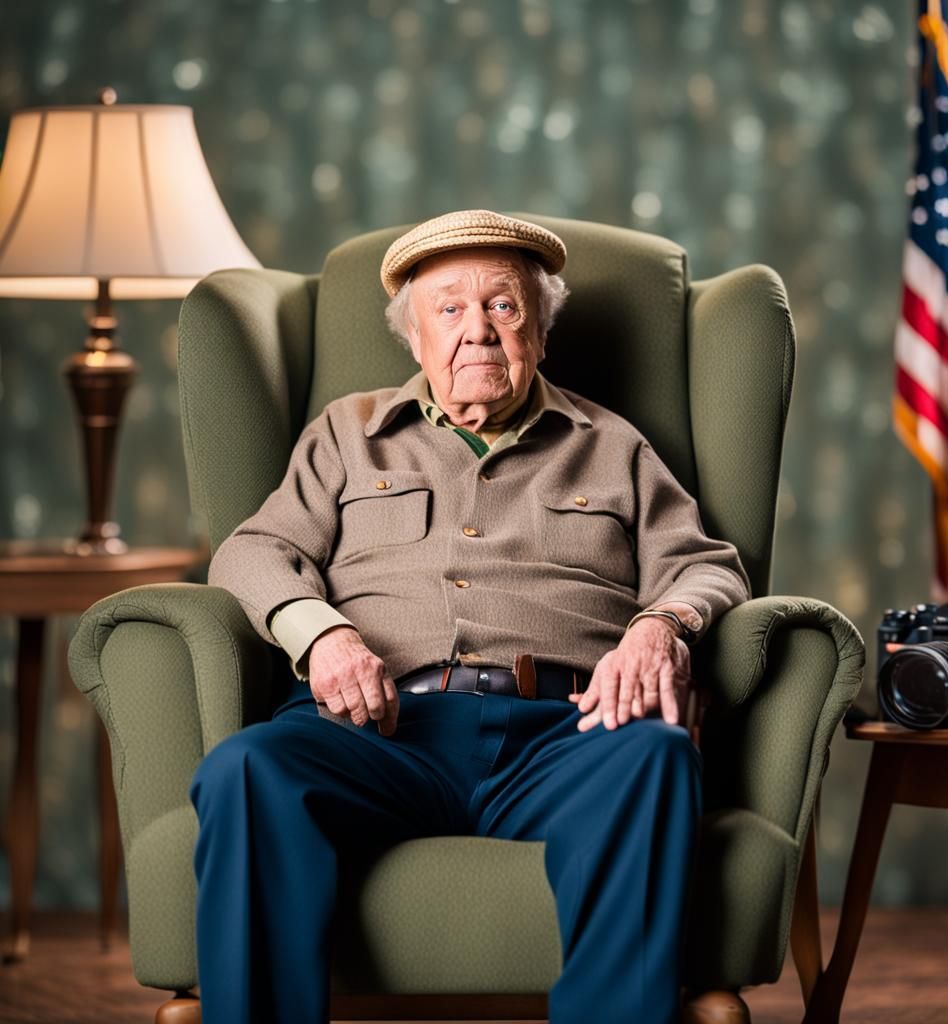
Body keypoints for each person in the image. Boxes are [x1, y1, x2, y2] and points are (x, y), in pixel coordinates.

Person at [190, 209, 751, 1024]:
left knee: (657, 758)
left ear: (541, 331)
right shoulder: (348, 435)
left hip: (567, 731)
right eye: (450, 309)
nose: (478, 331)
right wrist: (324, 634)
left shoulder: (615, 445)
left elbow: (706, 564)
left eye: (504, 306)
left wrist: (659, 626)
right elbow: (250, 553)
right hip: (378, 729)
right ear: (414, 339)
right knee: (247, 769)